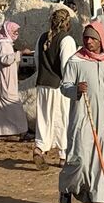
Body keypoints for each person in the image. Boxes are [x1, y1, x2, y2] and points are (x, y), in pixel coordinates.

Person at [59, 21, 104, 203]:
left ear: (101, 40)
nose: (89, 41)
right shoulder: (75, 61)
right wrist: (76, 90)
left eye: (93, 38)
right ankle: (66, 188)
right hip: (83, 117)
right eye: (86, 38)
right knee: (79, 159)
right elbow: (64, 87)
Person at [33, 9, 77, 170]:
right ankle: (63, 156)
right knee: (62, 119)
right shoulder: (67, 40)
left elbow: (37, 61)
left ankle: (39, 148)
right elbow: (67, 66)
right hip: (59, 86)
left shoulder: (41, 38)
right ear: (67, 23)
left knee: (44, 119)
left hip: (42, 84)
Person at [0, 21, 30, 141]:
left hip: (6, 80)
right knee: (14, 105)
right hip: (5, 81)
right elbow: (5, 60)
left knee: (1, 107)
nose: (16, 34)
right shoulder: (3, 45)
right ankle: (21, 131)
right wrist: (20, 53)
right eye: (14, 31)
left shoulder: (5, 44)